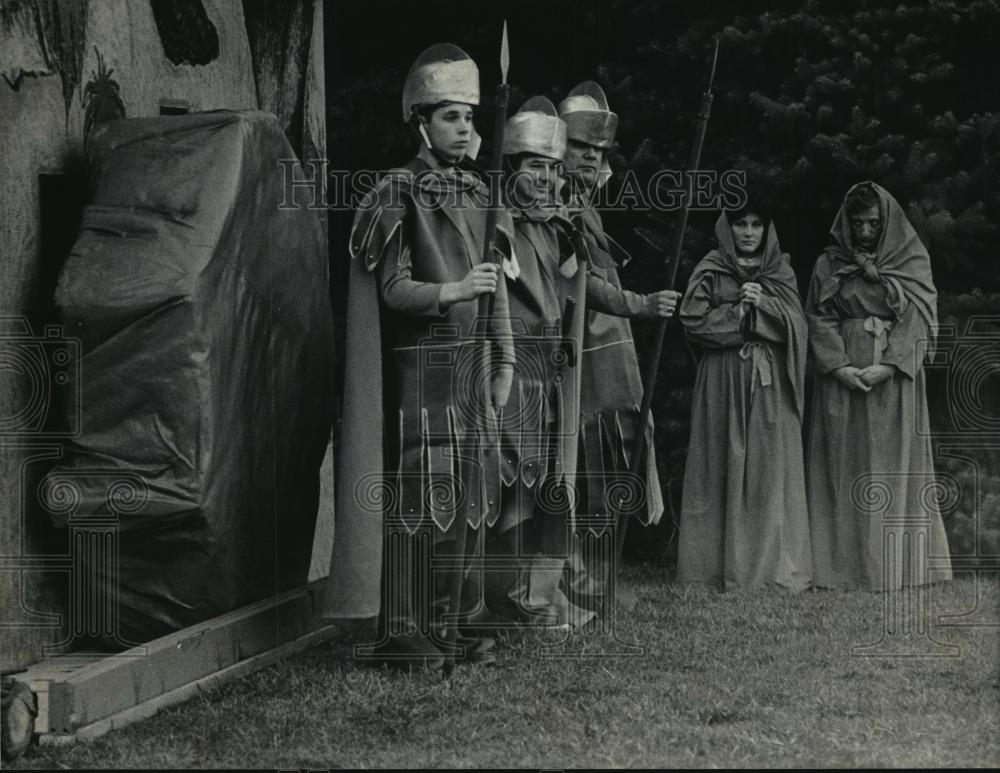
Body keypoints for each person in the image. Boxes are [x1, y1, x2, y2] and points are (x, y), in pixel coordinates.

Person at [323, 43, 516, 669]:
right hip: (417, 375)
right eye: (451, 117)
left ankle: (453, 622)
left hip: (469, 373)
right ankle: (403, 633)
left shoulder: (477, 191)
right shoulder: (395, 191)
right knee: (418, 501)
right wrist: (454, 290)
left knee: (466, 501)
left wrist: (505, 360)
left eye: (470, 117)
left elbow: (498, 286)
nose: (465, 128)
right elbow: (391, 289)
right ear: (420, 122)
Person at [484, 96, 677, 628]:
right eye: (536, 168)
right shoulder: (496, 223)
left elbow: (581, 284)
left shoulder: (554, 226)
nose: (547, 179)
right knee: (513, 487)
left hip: (548, 370)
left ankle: (543, 595)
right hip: (512, 370)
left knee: (550, 483)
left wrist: (639, 303)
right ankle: (515, 599)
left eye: (551, 169)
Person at [557, 81, 674, 616]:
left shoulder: (587, 205)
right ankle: (570, 581)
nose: (591, 158)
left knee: (613, 452)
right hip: (573, 345)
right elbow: (579, 281)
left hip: (608, 346)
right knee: (579, 457)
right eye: (582, 147)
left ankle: (597, 578)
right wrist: (639, 304)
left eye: (600, 151)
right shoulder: (553, 202)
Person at [805, 181, 953, 591]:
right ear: (846, 223)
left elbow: (920, 315)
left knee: (891, 464)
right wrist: (838, 366)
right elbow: (817, 316)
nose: (865, 232)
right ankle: (841, 566)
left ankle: (898, 565)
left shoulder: (911, 260)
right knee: (843, 461)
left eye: (873, 223)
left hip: (894, 377)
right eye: (857, 224)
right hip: (845, 373)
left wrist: (888, 366)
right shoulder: (828, 263)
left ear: (886, 222)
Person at [676, 204, 812, 592]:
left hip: (769, 382)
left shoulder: (780, 271)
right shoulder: (710, 268)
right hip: (722, 379)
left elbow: (798, 327)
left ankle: (769, 566)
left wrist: (765, 304)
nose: (749, 232)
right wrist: (739, 312)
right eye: (740, 225)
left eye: (757, 224)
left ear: (767, 229)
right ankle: (713, 568)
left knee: (769, 467)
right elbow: (692, 321)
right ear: (727, 228)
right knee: (721, 462)